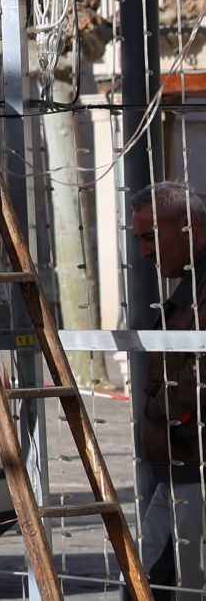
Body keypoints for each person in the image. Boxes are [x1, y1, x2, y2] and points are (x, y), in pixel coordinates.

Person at [128, 182, 205, 595]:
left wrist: (167, 411)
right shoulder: (192, 282)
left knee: (183, 582)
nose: (144, 252)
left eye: (149, 237)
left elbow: (196, 377)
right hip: (178, 464)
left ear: (187, 226)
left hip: (194, 463)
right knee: (148, 576)